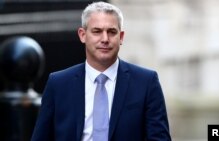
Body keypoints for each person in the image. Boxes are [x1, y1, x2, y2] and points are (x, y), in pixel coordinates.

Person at [31, 1, 172, 141]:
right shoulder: (58, 84)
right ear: (82, 35)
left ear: (121, 37)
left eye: (111, 32)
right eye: (97, 31)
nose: (105, 39)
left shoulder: (146, 82)